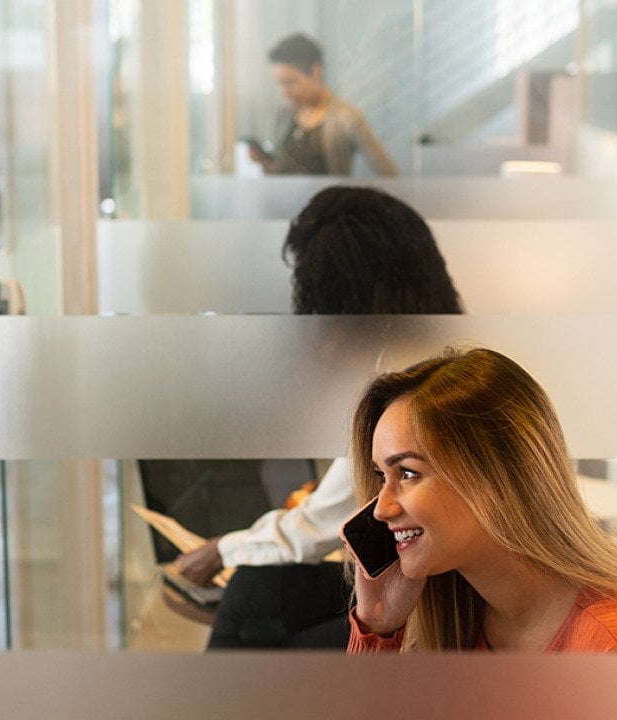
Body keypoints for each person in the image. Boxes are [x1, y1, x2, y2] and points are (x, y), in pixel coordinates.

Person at [172, 186, 462, 648]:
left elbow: (320, 528)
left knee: (260, 608)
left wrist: (223, 550)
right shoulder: (438, 357)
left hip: (444, 602)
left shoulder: (405, 385)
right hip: (431, 580)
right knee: (258, 593)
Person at [345, 348, 617, 652]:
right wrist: (376, 624)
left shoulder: (616, 649)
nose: (381, 508)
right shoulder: (459, 621)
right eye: (381, 477)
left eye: (408, 473)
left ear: (495, 478)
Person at [248, 34, 397, 176]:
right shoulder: (284, 115)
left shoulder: (346, 117)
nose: (284, 92)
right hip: (285, 200)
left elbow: (388, 172)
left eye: (290, 82)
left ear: (316, 71)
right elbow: (281, 172)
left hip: (327, 201)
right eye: (280, 84)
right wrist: (265, 162)